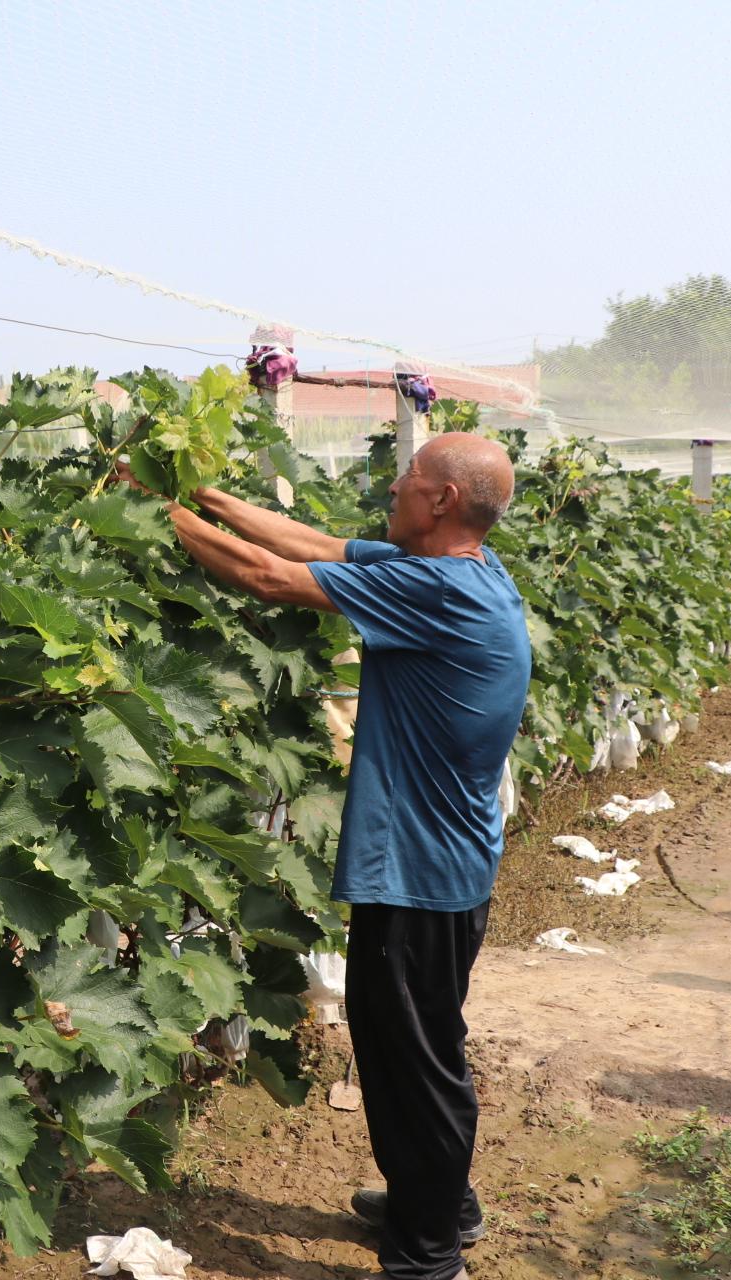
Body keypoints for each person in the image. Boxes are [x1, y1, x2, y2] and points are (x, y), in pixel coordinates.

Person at [142, 432, 531, 1280]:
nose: (395, 485)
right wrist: (203, 497)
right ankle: (440, 1201)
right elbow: (311, 547)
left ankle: (429, 1256)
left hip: (420, 875)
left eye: (411, 477)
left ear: (442, 503)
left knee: (413, 1056)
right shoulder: (467, 571)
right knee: (415, 1042)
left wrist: (148, 506)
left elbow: (267, 578)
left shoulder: (439, 590)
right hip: (442, 867)